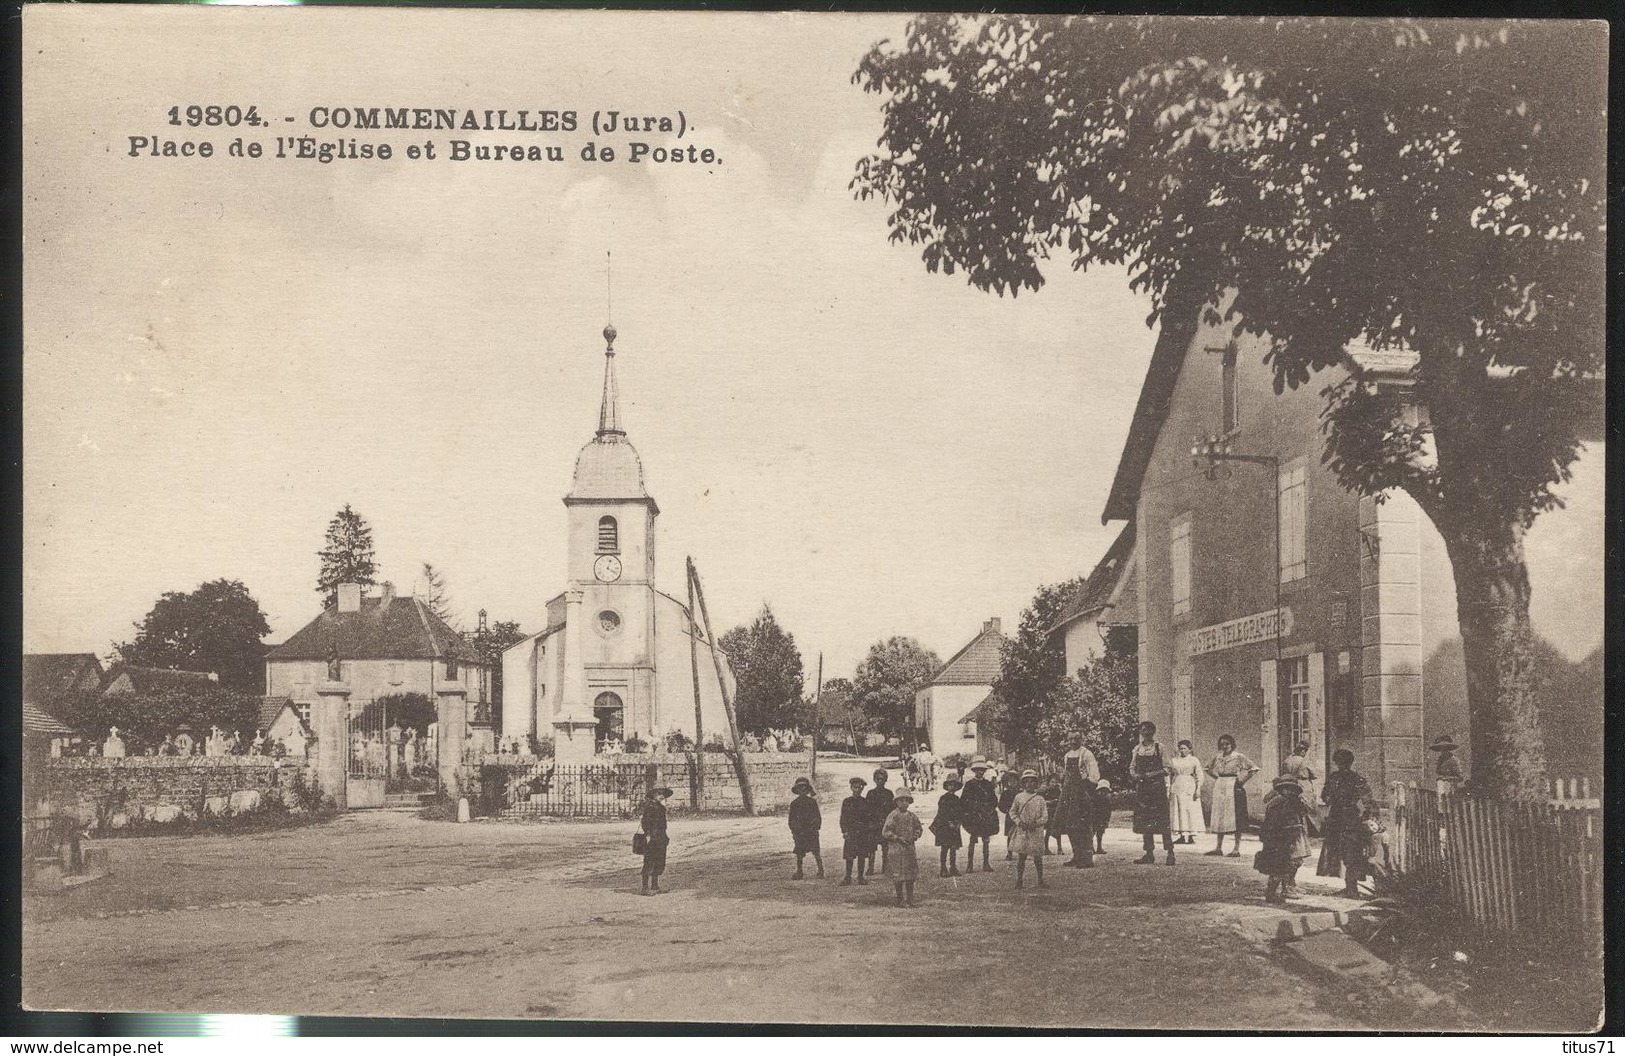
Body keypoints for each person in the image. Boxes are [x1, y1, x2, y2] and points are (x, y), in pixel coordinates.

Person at [1318, 748, 1378, 899]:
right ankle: (1350, 887)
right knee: (1349, 852)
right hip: (1348, 818)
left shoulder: (1335, 778)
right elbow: (1368, 800)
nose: (1341, 765)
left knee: (1345, 851)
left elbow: (1325, 797)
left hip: (1340, 819)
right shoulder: (1356, 779)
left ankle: (1351, 888)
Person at [1256, 776, 1313, 903]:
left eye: (1292, 789)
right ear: (1281, 789)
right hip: (1280, 837)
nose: (1289, 791)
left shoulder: (1296, 802)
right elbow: (1271, 821)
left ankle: (1287, 887)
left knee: (1293, 863)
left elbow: (1306, 811)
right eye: (1286, 789)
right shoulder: (1277, 802)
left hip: (1293, 835)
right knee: (1278, 866)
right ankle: (1272, 893)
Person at [1129, 721, 1176, 865]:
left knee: (1162, 820)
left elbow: (1168, 768)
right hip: (1143, 789)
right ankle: (1149, 853)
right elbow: (1132, 767)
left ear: (1153, 732)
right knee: (1145, 820)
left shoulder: (1159, 747)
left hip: (1157, 789)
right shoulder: (1137, 749)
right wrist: (1135, 775)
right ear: (1140, 732)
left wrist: (1152, 774)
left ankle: (1170, 853)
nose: (1146, 733)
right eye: (1143, 730)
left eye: (1149, 730)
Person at [1204, 734, 1259, 857]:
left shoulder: (1238, 757)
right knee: (1220, 815)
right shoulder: (1217, 757)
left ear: (1232, 744)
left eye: (1227, 744)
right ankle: (1218, 847)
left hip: (1233, 786)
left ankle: (1236, 848)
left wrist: (1242, 780)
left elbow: (1253, 768)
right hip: (1220, 786)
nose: (1224, 746)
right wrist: (1216, 778)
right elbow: (1207, 768)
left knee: (1235, 816)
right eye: (1222, 744)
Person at [1052, 741, 1101, 867]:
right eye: (1071, 739)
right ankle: (1077, 855)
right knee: (1070, 824)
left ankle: (1087, 858)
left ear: (1081, 739)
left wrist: (1086, 789)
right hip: (1069, 793)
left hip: (1082, 792)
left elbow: (1094, 775)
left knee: (1083, 824)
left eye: (1077, 738)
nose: (1074, 741)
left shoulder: (1086, 754)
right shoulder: (1067, 755)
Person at [881, 790, 923, 907]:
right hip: (896, 849)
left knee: (910, 876)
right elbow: (885, 832)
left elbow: (918, 828)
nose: (904, 803)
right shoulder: (893, 815)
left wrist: (915, 836)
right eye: (901, 800)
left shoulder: (912, 816)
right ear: (896, 802)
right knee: (898, 875)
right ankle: (900, 899)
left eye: (906, 800)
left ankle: (910, 899)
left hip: (909, 849)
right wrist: (897, 838)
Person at [1008, 770, 1049, 889]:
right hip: (1022, 831)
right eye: (1027, 782)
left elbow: (1045, 816)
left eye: (1032, 782)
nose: (1030, 784)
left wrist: (1035, 824)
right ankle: (1019, 880)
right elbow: (1012, 812)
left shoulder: (1040, 799)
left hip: (1036, 831)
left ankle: (1040, 880)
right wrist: (1019, 822)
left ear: (1036, 784)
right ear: (1023, 784)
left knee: (1037, 857)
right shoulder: (1019, 797)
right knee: (1022, 856)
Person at [960, 757, 1001, 872]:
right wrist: (971, 809)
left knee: (986, 840)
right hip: (974, 816)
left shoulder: (988, 784)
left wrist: (988, 810)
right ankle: (969, 865)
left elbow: (994, 800)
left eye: (982, 770)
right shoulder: (969, 784)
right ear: (974, 771)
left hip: (986, 815)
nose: (980, 772)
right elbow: (963, 800)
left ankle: (986, 863)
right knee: (972, 839)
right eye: (977, 770)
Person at [1280, 739, 1321, 833]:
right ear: (1302, 751)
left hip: (1290, 785)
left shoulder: (1287, 760)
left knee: (1294, 807)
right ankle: (1312, 831)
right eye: (1305, 751)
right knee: (1309, 808)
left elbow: (1283, 773)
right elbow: (1315, 775)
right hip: (1304, 785)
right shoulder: (1304, 761)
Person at [1168, 739, 1205, 844]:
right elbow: (1170, 775)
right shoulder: (1174, 760)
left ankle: (1191, 836)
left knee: (1190, 810)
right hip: (1177, 785)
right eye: (1181, 748)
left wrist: (1198, 789)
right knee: (1179, 810)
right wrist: (1169, 788)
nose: (1182, 751)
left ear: (1189, 749)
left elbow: (1199, 775)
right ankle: (1182, 835)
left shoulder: (1194, 760)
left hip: (1189, 785)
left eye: (1185, 748)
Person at [638, 785, 673, 895]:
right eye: (659, 793)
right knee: (649, 861)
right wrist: (648, 835)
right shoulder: (649, 807)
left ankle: (655, 886)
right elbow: (645, 823)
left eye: (663, 794)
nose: (661, 796)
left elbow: (663, 825)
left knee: (659, 860)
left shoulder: (661, 808)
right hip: (652, 837)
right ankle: (644, 888)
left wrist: (665, 836)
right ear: (653, 795)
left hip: (661, 837)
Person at [930, 773, 965, 876]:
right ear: (947, 786)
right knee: (945, 847)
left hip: (954, 826)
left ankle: (953, 867)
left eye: (954, 785)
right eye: (950, 785)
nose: (952, 787)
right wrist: (949, 822)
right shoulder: (943, 798)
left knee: (953, 848)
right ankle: (943, 868)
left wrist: (958, 822)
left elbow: (960, 812)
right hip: (944, 826)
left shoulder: (957, 799)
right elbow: (942, 812)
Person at [788, 777, 824, 879]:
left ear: (808, 790)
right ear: (797, 791)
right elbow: (791, 819)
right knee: (799, 852)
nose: (802, 791)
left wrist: (815, 827)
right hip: (800, 832)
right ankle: (799, 872)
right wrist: (795, 830)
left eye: (804, 788)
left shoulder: (812, 802)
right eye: (800, 789)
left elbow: (817, 816)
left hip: (811, 831)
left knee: (816, 851)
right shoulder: (794, 804)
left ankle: (821, 870)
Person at [839, 776, 871, 886]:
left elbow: (868, 818)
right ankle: (848, 877)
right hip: (851, 832)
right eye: (855, 787)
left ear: (862, 789)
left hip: (862, 832)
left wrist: (867, 830)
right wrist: (845, 831)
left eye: (859, 788)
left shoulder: (865, 802)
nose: (857, 790)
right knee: (849, 856)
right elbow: (843, 818)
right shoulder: (847, 802)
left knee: (861, 856)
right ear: (851, 788)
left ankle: (861, 877)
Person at [865, 769, 897, 876]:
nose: (880, 781)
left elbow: (892, 810)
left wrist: (888, 822)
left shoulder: (889, 794)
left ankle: (885, 867)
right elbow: (867, 810)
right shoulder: (870, 793)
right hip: (873, 825)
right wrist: (870, 822)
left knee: (886, 847)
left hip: (885, 824)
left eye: (883, 779)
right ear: (874, 780)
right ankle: (870, 867)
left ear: (886, 780)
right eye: (878, 779)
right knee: (871, 848)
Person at [997, 768, 1021, 861]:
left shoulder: (1020, 793)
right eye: (1009, 781)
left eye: (1014, 780)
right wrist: (1006, 810)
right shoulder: (1005, 793)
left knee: (1020, 834)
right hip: (1010, 817)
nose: (1012, 783)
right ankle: (1009, 853)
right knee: (1009, 835)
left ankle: (1021, 852)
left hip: (1019, 816)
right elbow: (1000, 805)